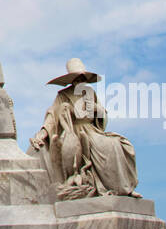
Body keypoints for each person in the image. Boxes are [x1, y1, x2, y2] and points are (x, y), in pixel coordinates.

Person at [29, 57, 139, 199]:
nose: (80, 81)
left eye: (82, 78)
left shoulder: (90, 93)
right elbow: (53, 116)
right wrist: (43, 133)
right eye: (77, 79)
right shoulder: (63, 95)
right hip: (74, 131)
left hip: (92, 130)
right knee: (101, 147)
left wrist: (96, 109)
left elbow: (102, 116)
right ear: (72, 80)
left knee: (119, 145)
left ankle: (124, 188)